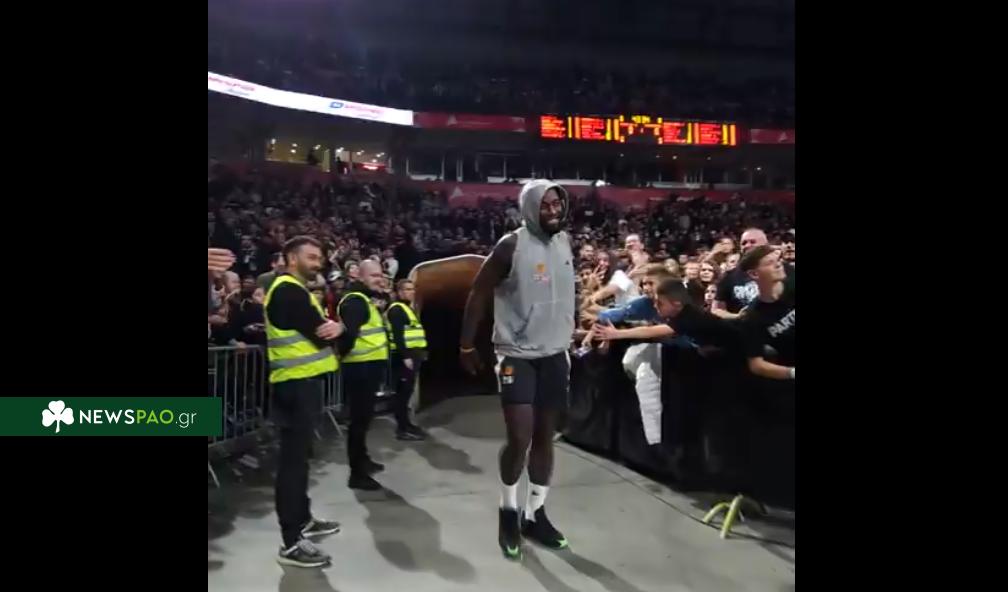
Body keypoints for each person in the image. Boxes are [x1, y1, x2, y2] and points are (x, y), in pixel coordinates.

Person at [459, 180, 575, 560]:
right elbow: (478, 291)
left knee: (545, 438)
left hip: (555, 354)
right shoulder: (510, 246)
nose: (554, 210)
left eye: (558, 203)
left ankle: (535, 514)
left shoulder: (564, 242)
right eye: (546, 205)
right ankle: (508, 511)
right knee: (520, 438)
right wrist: (466, 344)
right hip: (517, 355)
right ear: (529, 208)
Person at [263, 236, 345, 568]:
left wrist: (334, 327)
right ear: (291, 258)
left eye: (319, 258)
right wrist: (338, 328)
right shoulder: (288, 291)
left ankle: (303, 519)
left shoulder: (295, 290)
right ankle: (291, 541)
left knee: (301, 458)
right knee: (293, 464)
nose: (318, 263)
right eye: (311, 257)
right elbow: (320, 333)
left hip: (301, 384)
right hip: (295, 385)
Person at [337, 259, 390, 491]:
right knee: (359, 422)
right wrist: (343, 355)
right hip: (361, 368)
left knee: (364, 419)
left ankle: (363, 460)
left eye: (381, 275)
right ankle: (356, 474)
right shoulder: (356, 301)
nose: (379, 279)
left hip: (368, 367)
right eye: (374, 275)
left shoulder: (365, 299)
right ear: (360, 276)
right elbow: (348, 336)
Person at [737, 245, 796, 381]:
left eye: (778, 260)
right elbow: (756, 364)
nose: (778, 264)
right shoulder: (752, 316)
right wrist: (792, 372)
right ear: (754, 274)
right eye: (770, 262)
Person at [712, 228, 794, 320]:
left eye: (752, 242)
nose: (747, 245)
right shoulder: (728, 276)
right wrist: (738, 317)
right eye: (744, 243)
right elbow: (716, 309)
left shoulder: (784, 269)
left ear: (765, 244)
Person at [385, 279, 429, 441]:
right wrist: (406, 356)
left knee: (407, 393)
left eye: (412, 289)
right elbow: (398, 336)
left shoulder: (406, 309)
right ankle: (402, 429)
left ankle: (407, 424)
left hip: (413, 354)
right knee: (402, 394)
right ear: (399, 292)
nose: (411, 292)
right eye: (407, 289)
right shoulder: (397, 310)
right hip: (404, 356)